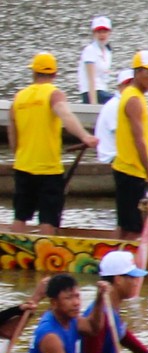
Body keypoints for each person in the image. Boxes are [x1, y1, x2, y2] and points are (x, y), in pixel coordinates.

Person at [8, 52, 94, 234]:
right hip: (49, 169)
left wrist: (19, 156)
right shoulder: (54, 94)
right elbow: (66, 115)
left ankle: (14, 255)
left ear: (33, 73)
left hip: (23, 166)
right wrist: (85, 136)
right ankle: (46, 257)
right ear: (54, 74)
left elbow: (12, 131)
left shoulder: (18, 97)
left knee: (20, 216)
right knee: (48, 219)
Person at [107, 49, 148, 239]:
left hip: (131, 170)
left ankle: (113, 256)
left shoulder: (138, 96)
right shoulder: (133, 99)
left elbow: (140, 137)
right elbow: (139, 139)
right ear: (137, 72)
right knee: (132, 228)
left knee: (126, 223)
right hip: (130, 171)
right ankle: (124, 262)